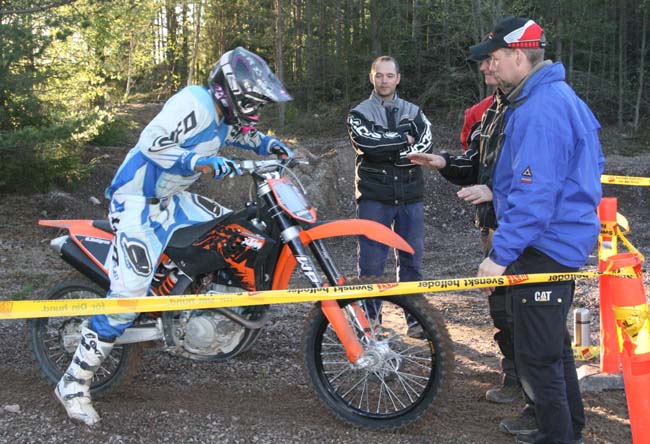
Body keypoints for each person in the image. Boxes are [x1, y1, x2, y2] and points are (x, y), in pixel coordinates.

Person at [55, 47, 293, 426]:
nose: (256, 107)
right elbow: (153, 141)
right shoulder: (194, 102)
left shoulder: (224, 116)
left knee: (231, 232)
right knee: (128, 297)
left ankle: (194, 300)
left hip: (172, 200)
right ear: (230, 91)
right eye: (253, 99)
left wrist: (269, 145)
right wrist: (197, 162)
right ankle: (73, 382)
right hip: (136, 202)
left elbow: (245, 136)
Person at [473, 17, 604, 444]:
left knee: (536, 356)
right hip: (558, 238)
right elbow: (573, 172)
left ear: (516, 55)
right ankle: (570, 429)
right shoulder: (554, 96)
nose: (486, 67)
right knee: (553, 347)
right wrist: (497, 193)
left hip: (545, 244)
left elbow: (536, 195)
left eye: (492, 58)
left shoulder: (541, 108)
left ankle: (558, 436)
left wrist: (499, 256)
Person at [408, 47, 531, 412]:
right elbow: (477, 164)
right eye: (483, 62)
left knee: (531, 310)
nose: (486, 67)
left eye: (492, 60)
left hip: (525, 224)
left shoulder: (532, 110)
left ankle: (538, 390)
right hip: (492, 222)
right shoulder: (484, 112)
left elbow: (535, 175)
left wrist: (496, 190)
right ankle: (514, 377)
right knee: (502, 306)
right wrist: (443, 162)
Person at [346, 55, 433, 334]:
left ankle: (415, 320)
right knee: (371, 264)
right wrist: (402, 140)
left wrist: (391, 148)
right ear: (372, 77)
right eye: (379, 75)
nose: (384, 80)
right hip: (374, 197)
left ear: (398, 78)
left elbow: (426, 143)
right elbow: (367, 144)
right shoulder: (358, 113)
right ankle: (371, 322)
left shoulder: (415, 110)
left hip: (410, 196)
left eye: (389, 75)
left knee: (412, 261)